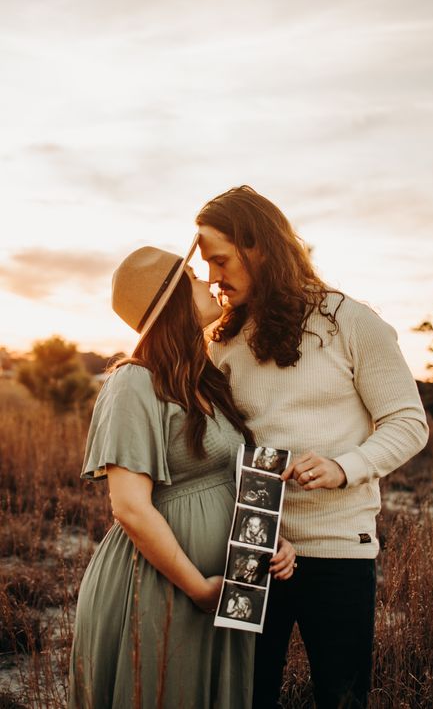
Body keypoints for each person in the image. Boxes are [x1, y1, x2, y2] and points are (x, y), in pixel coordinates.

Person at [196, 185, 429, 709]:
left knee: (341, 695)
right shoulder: (223, 339)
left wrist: (345, 467)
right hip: (253, 547)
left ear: (258, 245)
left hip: (337, 547)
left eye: (220, 260)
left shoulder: (352, 322)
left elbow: (408, 422)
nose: (212, 277)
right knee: (245, 696)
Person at [67, 242, 296, 709]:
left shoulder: (206, 378)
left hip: (222, 589)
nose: (208, 280)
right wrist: (197, 588)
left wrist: (269, 538)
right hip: (164, 587)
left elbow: (236, 480)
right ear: (169, 299)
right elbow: (129, 505)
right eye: (192, 275)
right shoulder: (133, 381)